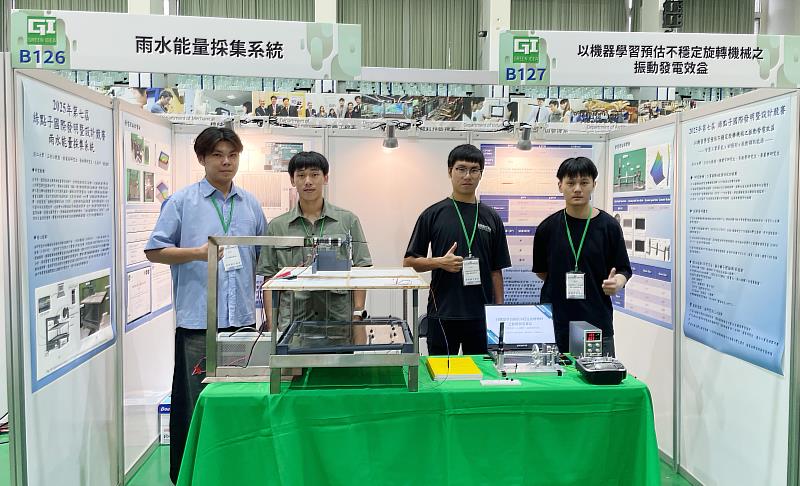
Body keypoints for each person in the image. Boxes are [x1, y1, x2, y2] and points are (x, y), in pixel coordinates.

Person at [144, 127, 267, 484]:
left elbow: (262, 256)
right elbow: (154, 250)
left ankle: (233, 471)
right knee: (195, 402)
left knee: (239, 399)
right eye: (217, 154)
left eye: (232, 155)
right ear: (201, 158)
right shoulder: (182, 202)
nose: (226, 161)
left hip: (241, 320)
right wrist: (197, 254)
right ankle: (192, 474)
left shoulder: (250, 204)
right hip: (198, 322)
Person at [404, 144, 511, 355]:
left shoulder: (492, 217)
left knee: (481, 374)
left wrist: (499, 311)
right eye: (461, 169)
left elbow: (496, 270)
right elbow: (409, 262)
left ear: (481, 174)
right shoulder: (433, 214)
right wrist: (439, 262)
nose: (467, 176)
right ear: (449, 171)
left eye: (474, 170)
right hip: (443, 314)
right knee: (443, 373)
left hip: (481, 316)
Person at [257, 151, 372, 330]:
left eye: (314, 174)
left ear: (325, 178)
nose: (308, 181)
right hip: (292, 326)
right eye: (301, 175)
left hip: (338, 323)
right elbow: (269, 278)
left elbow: (361, 268)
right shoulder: (277, 227)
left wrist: (357, 317)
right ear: (292, 180)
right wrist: (272, 327)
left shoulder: (348, 221)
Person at [531, 157, 631, 356]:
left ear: (594, 185)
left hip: (596, 322)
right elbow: (542, 272)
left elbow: (623, 269)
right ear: (560, 186)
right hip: (555, 323)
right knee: (554, 375)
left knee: (598, 375)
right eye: (571, 183)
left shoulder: (609, 226)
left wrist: (617, 283)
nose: (577, 189)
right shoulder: (547, 228)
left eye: (584, 182)